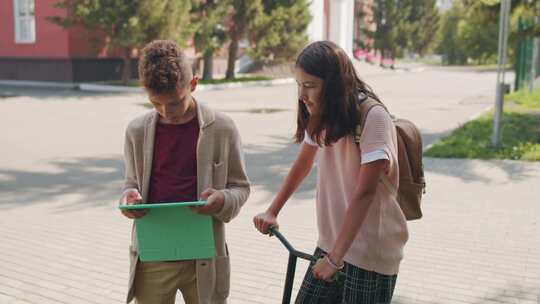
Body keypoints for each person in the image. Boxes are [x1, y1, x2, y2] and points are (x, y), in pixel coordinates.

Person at [253, 40, 408, 303]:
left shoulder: (373, 117)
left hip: (369, 254)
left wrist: (335, 259)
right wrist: (272, 210)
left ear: (334, 85)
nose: (302, 95)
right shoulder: (324, 115)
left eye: (310, 86)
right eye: (299, 85)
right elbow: (302, 165)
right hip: (332, 245)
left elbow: (365, 192)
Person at [120, 40, 250, 304]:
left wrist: (223, 199)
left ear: (193, 84)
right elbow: (131, 184)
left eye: (176, 103)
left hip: (204, 256)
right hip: (153, 256)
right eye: (156, 103)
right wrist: (128, 198)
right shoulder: (136, 130)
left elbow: (241, 187)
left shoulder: (222, 127)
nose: (167, 112)